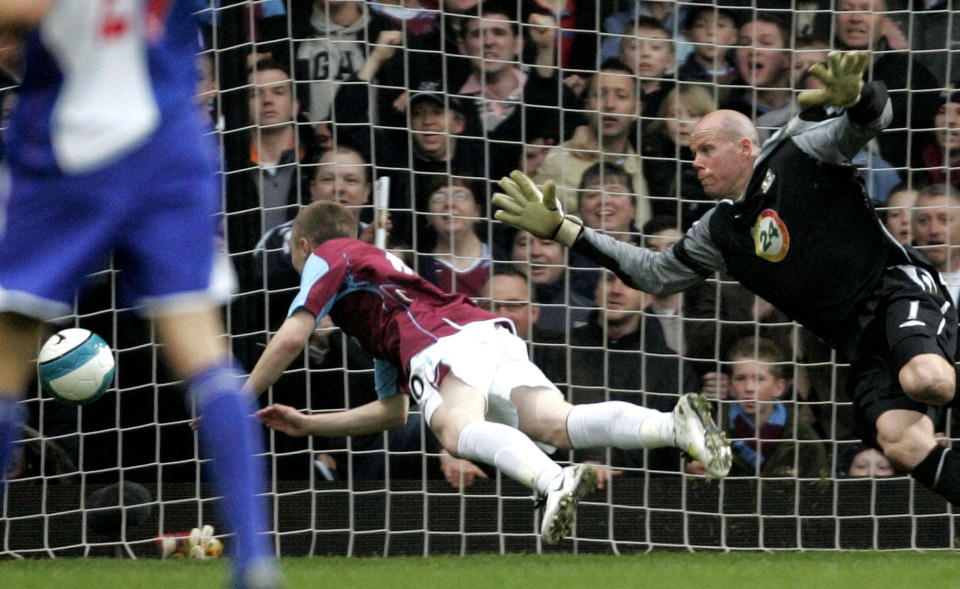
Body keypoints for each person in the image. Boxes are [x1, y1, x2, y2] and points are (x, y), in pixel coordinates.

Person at [493, 51, 960, 508]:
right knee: (901, 441)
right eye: (693, 151)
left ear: (744, 147)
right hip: (858, 340)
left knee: (928, 379)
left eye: (706, 149)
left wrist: (858, 96)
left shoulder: (798, 151)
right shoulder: (718, 231)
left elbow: (872, 121)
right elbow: (654, 274)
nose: (695, 161)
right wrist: (565, 230)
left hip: (898, 288)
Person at [248, 200, 731, 544]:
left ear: (304, 244)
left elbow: (292, 336)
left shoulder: (328, 255)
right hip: (482, 330)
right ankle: (675, 426)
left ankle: (551, 479)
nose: (298, 268)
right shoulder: (374, 305)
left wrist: (240, 395)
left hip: (442, 342)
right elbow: (394, 414)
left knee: (457, 431)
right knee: (556, 422)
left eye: (296, 257)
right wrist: (310, 424)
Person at [0, 2, 280, 588]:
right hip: (171, 143)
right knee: (204, 355)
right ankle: (255, 562)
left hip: (67, 144)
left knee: (7, 355)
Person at [534, 58, 652, 231]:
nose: (609, 105)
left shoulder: (648, 161)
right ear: (588, 106)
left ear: (637, 110)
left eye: (621, 96)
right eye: (600, 95)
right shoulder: (558, 161)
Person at [700, 337, 829, 479]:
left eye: (759, 379)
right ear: (730, 386)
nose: (749, 388)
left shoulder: (804, 439)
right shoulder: (707, 433)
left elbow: (818, 495)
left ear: (779, 387)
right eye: (741, 378)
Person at [911, 184, 960, 306]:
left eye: (944, 219)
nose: (934, 230)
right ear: (913, 229)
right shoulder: (895, 282)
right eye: (923, 220)